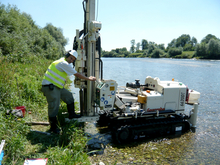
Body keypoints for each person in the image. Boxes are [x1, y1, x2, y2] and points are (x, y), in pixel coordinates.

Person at [41, 50, 96, 134]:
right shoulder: (63, 63)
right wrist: (89, 78)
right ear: (67, 55)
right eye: (71, 58)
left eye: (73, 60)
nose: (71, 60)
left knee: (69, 96)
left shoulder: (63, 62)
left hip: (57, 87)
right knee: (54, 106)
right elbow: (76, 74)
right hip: (50, 87)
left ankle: (72, 114)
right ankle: (53, 128)